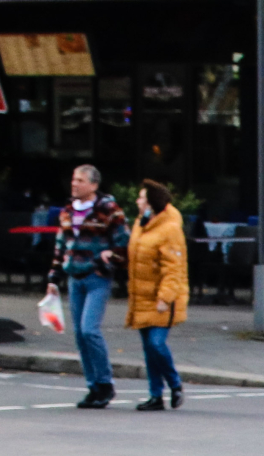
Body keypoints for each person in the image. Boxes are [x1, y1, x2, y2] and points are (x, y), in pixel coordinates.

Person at [45, 164, 129, 409]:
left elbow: (124, 243)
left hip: (96, 277)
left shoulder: (109, 210)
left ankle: (105, 383)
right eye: (73, 179)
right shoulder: (68, 211)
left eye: (80, 180)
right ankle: (93, 386)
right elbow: (61, 246)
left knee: (89, 329)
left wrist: (110, 258)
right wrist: (53, 278)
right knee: (80, 335)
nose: (75, 184)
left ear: (94, 185)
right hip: (75, 278)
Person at [125, 180, 189, 412]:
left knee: (156, 343)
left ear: (151, 203)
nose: (137, 201)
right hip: (142, 295)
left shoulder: (170, 229)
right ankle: (155, 395)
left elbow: (174, 268)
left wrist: (165, 297)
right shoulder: (141, 224)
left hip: (162, 299)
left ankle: (174, 383)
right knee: (149, 349)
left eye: (141, 197)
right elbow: (136, 256)